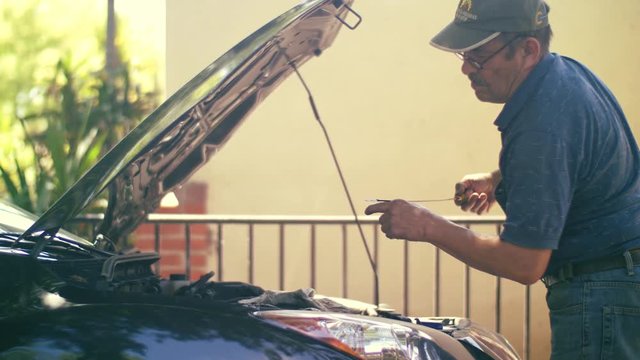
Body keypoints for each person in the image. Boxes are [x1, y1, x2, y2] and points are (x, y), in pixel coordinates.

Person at [364, 0, 640, 358]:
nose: (466, 68)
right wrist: (499, 178)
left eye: (478, 57)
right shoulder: (566, 75)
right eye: (463, 55)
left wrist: (428, 226)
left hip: (600, 293)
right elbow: (577, 160)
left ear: (528, 50)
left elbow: (524, 263)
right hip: (619, 284)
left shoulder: (542, 123)